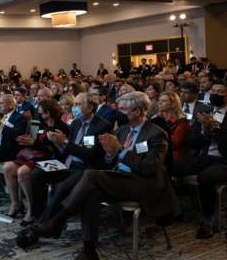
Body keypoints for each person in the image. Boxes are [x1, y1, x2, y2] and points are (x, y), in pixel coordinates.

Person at [25, 92, 177, 260]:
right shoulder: (122, 130)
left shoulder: (157, 134)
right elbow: (106, 163)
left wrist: (120, 150)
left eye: (123, 109)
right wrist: (110, 155)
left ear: (138, 111)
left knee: (90, 174)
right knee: (91, 193)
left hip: (142, 183)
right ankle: (89, 252)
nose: (119, 112)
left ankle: (57, 222)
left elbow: (149, 169)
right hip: (118, 178)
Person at [17, 92, 113, 248]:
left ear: (89, 108)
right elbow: (66, 150)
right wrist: (59, 144)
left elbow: (89, 155)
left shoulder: (103, 127)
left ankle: (36, 231)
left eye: (77, 105)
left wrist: (65, 143)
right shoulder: (75, 124)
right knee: (36, 175)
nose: (72, 108)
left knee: (62, 188)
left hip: (84, 169)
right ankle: (38, 216)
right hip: (67, 164)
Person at [2, 99, 69, 225]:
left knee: (22, 171)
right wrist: (29, 142)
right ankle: (16, 203)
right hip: (36, 156)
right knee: (8, 167)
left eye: (41, 111)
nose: (38, 113)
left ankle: (32, 210)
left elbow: (57, 151)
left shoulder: (61, 127)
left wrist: (33, 143)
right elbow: (38, 143)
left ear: (48, 113)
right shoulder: (43, 125)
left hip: (50, 159)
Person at [174, 79, 227, 239]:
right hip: (201, 158)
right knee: (166, 165)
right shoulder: (205, 112)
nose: (215, 95)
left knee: (206, 177)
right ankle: (173, 209)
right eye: (213, 92)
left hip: (223, 161)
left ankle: (208, 219)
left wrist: (214, 131)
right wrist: (204, 133)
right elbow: (192, 142)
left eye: (220, 92)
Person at [154, 91, 190, 159]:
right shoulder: (155, 119)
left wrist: (154, 140)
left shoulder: (181, 121)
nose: (159, 102)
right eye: (159, 100)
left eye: (163, 100)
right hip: (156, 153)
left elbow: (174, 144)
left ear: (173, 104)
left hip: (173, 155)